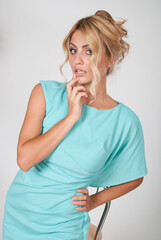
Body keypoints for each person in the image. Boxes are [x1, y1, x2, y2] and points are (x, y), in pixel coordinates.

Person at [2, 10, 148, 240]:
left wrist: (94, 201)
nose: (77, 60)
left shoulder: (124, 122)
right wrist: (71, 117)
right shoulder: (44, 93)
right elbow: (25, 160)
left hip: (66, 223)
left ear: (110, 58)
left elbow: (135, 176)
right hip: (21, 215)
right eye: (73, 50)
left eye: (88, 51)